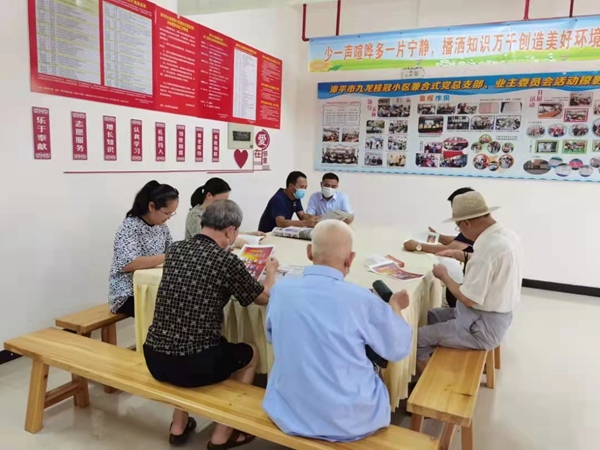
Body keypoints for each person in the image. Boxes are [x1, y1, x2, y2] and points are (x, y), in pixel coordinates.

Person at [144, 200, 279, 449]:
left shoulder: (176, 249)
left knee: (183, 339)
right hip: (195, 364)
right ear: (230, 231)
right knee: (251, 353)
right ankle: (222, 434)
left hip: (154, 356)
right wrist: (270, 272)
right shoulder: (226, 261)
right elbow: (263, 298)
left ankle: (178, 425)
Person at [263, 220, 413, 442]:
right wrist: (395, 307)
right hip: (350, 421)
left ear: (309, 252)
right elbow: (398, 348)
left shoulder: (281, 290)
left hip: (288, 410)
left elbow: (272, 336)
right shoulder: (363, 300)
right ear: (350, 259)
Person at [417, 191, 522, 372]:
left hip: (479, 327)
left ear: (466, 223)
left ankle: (434, 382)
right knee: (432, 316)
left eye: (458, 228)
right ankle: (437, 364)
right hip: (493, 318)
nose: (460, 233)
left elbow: (468, 299)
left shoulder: (487, 247)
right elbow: (492, 266)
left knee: (416, 339)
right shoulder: (506, 235)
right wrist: (462, 255)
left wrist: (444, 276)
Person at [108, 181, 179, 317]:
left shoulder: (161, 227)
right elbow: (129, 264)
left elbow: (171, 250)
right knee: (169, 313)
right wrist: (167, 256)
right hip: (127, 293)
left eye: (172, 213)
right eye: (166, 213)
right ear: (151, 206)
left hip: (154, 287)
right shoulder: (130, 226)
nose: (169, 218)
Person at [404, 187, 475, 307]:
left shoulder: (472, 227)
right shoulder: (476, 225)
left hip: (469, 296)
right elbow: (459, 241)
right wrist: (438, 237)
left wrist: (418, 246)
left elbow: (449, 248)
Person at [185, 177, 264, 245]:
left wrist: (252, 234)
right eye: (222, 200)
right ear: (209, 195)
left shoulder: (216, 212)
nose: (224, 203)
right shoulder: (195, 215)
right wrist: (235, 242)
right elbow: (203, 240)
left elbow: (227, 232)